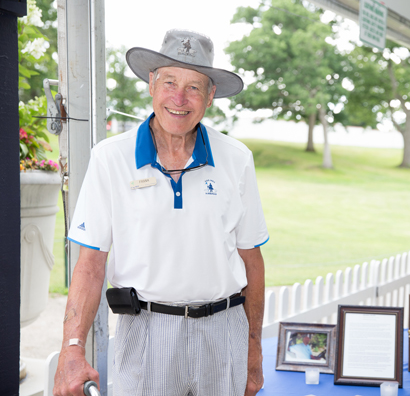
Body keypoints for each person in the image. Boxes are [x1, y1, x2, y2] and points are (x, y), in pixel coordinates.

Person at [53, 30, 269, 396]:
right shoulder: (111, 158)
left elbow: (252, 261)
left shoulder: (236, 158)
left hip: (224, 330)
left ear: (210, 96)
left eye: (194, 88)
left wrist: (253, 348)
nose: (179, 99)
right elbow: (90, 264)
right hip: (147, 331)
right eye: (169, 82)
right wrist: (71, 347)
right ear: (151, 84)